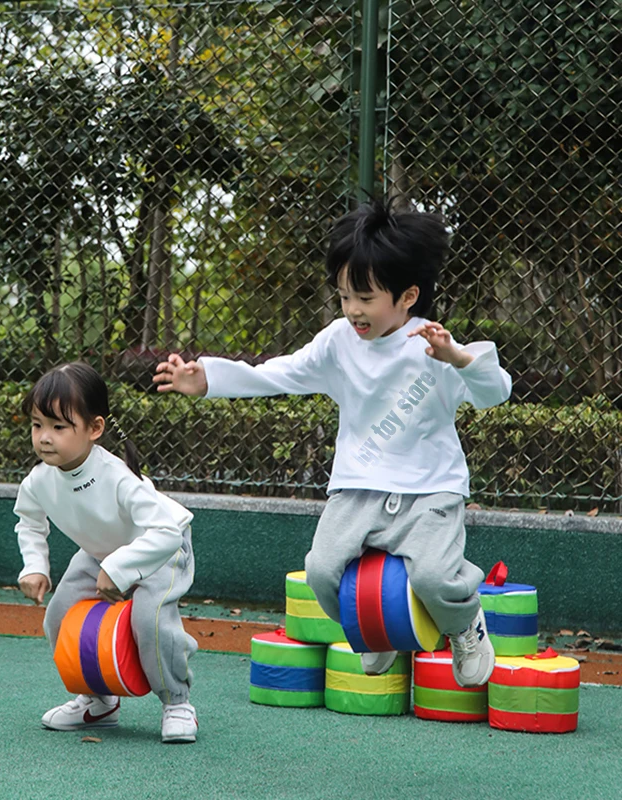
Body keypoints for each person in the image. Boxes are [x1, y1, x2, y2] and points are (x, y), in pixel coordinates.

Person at [153, 197, 512, 687]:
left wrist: (458, 359)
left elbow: (496, 393)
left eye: (364, 297)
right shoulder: (338, 341)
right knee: (322, 573)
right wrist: (207, 379)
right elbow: (277, 373)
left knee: (433, 578)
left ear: (407, 296)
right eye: (344, 296)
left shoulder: (435, 345)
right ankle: (375, 630)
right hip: (357, 488)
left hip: (430, 490)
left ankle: (465, 625)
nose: (352, 310)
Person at [13, 362, 199, 743]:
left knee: (149, 620)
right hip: (101, 552)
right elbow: (29, 523)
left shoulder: (118, 478)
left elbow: (164, 530)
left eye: (58, 427)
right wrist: (34, 566)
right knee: (59, 617)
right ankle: (99, 703)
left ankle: (177, 702)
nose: (44, 437)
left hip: (161, 550)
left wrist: (120, 568)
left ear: (94, 428)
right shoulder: (38, 481)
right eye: (37, 425)